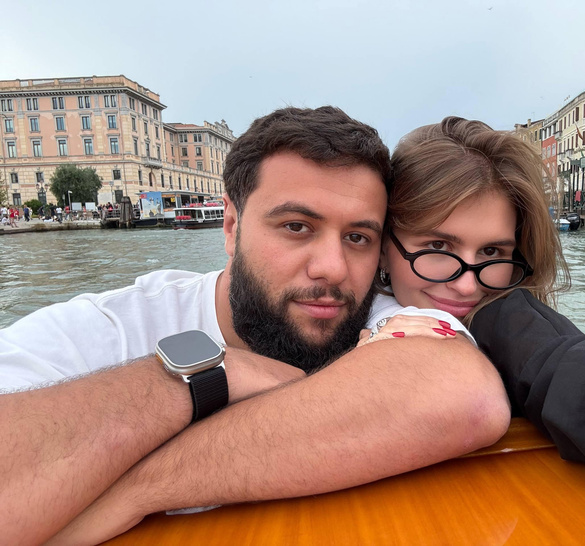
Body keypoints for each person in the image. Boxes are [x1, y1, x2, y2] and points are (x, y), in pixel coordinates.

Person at [0, 106, 510, 545]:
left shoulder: (379, 315)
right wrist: (203, 378)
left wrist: (138, 487)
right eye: (296, 227)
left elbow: (465, 395)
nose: (332, 269)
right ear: (231, 226)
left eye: (358, 237)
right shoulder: (110, 326)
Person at [355, 117, 585, 545]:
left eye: (492, 251)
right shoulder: (339, 310)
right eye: (438, 246)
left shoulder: (505, 316)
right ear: (384, 244)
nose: (468, 286)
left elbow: (573, 370)